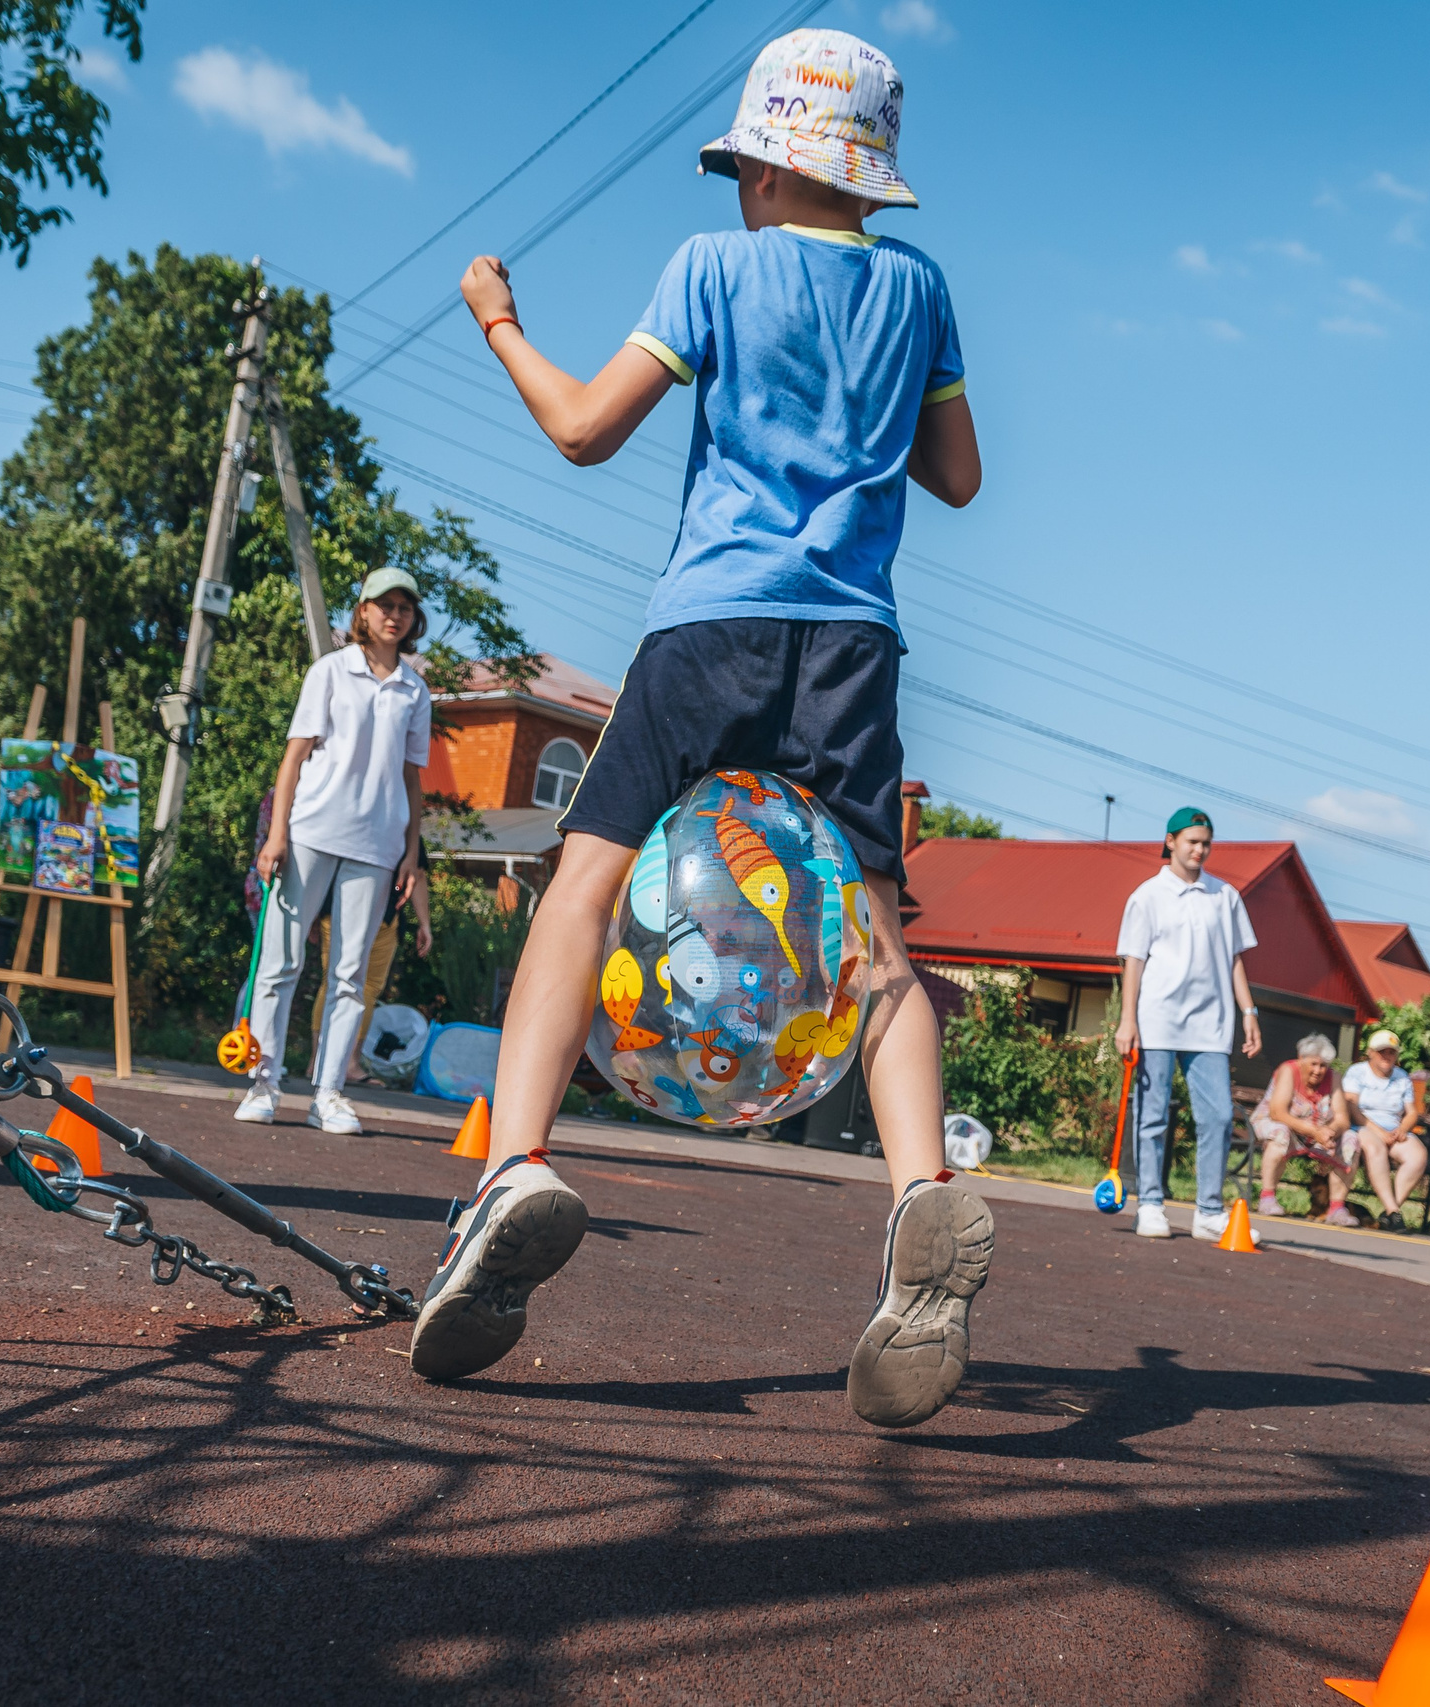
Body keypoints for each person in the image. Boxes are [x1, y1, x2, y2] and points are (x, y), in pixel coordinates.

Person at [415, 28, 991, 1430]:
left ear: (762, 165)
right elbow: (959, 476)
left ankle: (520, 1160)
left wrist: (497, 317)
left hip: (712, 622)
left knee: (587, 881)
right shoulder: (919, 288)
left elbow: (582, 430)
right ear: (865, 173)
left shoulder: (711, 267)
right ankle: (922, 1186)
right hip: (853, 642)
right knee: (876, 940)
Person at [240, 570, 435, 1133]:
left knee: (350, 975)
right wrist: (276, 835)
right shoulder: (329, 670)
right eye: (384, 605)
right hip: (310, 833)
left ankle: (328, 1093)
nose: (394, 615)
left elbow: (412, 780)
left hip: (377, 846)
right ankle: (264, 1083)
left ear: (412, 619)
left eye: (404, 607)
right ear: (364, 612)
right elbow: (294, 758)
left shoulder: (414, 691)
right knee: (280, 963)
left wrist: (410, 853)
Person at [1115, 807, 1263, 1242]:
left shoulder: (1226, 896)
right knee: (1153, 1116)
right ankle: (1151, 1205)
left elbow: (1235, 959)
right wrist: (1128, 1021)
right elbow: (1133, 962)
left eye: (1206, 843)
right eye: (1192, 841)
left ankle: (1209, 1212)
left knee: (1218, 1116)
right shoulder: (1147, 896)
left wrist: (1249, 1012)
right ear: (1170, 841)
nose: (1200, 850)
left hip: (1211, 1025)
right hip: (1157, 1020)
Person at [1249, 1032, 1355, 1225]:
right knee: (1280, 1133)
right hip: (1280, 1124)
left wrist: (1329, 1132)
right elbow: (1278, 1113)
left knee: (1351, 1139)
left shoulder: (1334, 1078)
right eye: (1313, 1064)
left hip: (1318, 1135)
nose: (1318, 1070)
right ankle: (1267, 1197)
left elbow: (1342, 1119)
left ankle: (1336, 1209)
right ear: (1301, 1059)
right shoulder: (1288, 1071)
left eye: (1323, 1065)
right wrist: (1316, 1132)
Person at [1343, 1030, 1428, 1231]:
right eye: (1382, 1051)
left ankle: (1390, 1210)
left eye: (1391, 1052)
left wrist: (1402, 1129)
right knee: (1375, 1149)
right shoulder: (1357, 1072)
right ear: (1371, 1052)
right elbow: (1352, 1107)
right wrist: (1378, 1131)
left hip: (1393, 1128)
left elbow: (1411, 1112)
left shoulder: (1402, 1077)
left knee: (1418, 1155)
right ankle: (1393, 1212)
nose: (1387, 1056)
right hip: (1363, 1126)